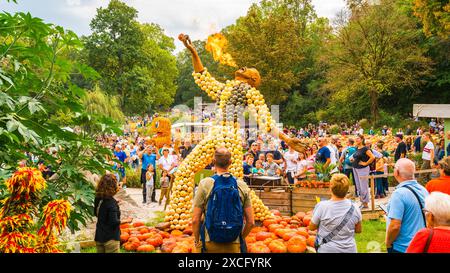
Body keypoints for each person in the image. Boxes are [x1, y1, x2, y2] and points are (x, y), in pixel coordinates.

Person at [192, 147, 254, 253]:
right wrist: (240, 239)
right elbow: (251, 222)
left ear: (213, 161)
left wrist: (197, 241)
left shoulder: (205, 184)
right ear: (230, 162)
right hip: (233, 243)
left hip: (209, 241)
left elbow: (195, 220)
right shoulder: (241, 185)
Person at [309, 174, 362, 253]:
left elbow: (312, 227)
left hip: (327, 249)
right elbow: (358, 230)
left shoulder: (322, 206)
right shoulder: (355, 207)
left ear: (331, 188)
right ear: (347, 189)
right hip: (349, 249)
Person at [386, 158, 429, 253]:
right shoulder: (423, 190)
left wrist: (388, 243)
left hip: (403, 247)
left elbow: (395, 225)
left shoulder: (399, 194)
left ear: (396, 172)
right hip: (421, 244)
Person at [94, 173, 132, 253]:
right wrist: (127, 220)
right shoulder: (111, 203)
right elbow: (114, 222)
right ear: (112, 187)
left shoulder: (98, 199)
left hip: (99, 237)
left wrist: (114, 204)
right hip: (111, 239)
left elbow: (96, 213)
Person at [350, 135, 375, 209]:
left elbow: (372, 157)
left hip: (363, 169)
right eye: (355, 138)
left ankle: (365, 203)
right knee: (358, 186)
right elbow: (357, 157)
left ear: (362, 139)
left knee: (363, 186)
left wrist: (366, 163)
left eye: (358, 138)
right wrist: (353, 160)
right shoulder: (357, 148)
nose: (356, 140)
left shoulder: (365, 148)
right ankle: (362, 202)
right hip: (355, 168)